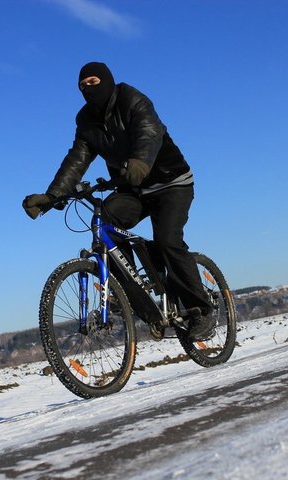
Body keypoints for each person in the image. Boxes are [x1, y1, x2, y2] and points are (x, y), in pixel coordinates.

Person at [22, 61, 215, 340]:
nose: (88, 88)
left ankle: (201, 309)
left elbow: (149, 132)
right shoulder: (86, 120)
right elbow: (77, 159)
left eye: (93, 82)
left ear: (108, 80)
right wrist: (53, 195)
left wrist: (139, 163)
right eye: (82, 86)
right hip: (133, 189)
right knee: (105, 221)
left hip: (170, 182)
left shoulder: (132, 100)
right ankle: (138, 298)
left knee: (167, 240)